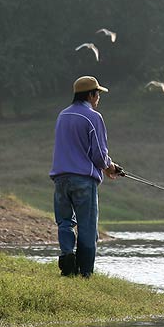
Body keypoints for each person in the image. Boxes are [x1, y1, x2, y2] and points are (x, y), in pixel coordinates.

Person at [50, 76, 121, 278]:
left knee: (64, 222)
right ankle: (85, 273)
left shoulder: (62, 115)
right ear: (91, 95)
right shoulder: (93, 117)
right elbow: (98, 154)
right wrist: (110, 167)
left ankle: (67, 258)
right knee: (87, 227)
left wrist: (107, 167)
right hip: (83, 180)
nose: (98, 98)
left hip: (60, 179)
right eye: (97, 94)